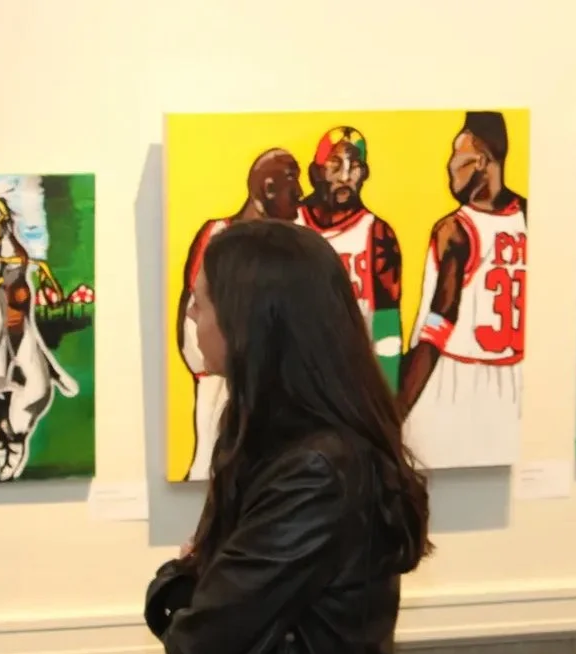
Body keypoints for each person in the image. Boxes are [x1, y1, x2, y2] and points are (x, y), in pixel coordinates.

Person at [146, 219, 431, 654]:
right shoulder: (271, 442)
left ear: (248, 319)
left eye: (200, 304)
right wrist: (203, 580)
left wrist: (177, 582)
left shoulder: (317, 469)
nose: (192, 319)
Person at [399, 111, 527, 468]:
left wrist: (395, 410)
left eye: (457, 155)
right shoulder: (531, 216)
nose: (449, 165)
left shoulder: (454, 229)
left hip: (456, 381)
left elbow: (438, 325)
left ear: (482, 160)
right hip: (516, 383)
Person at [176, 149, 303, 481]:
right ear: (266, 189)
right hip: (223, 379)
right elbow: (192, 318)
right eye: (292, 180)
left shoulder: (290, 246)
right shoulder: (219, 234)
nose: (300, 193)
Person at [294, 127, 403, 388]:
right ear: (316, 171)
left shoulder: (377, 233)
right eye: (335, 165)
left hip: (352, 382)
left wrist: (388, 393)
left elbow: (387, 323)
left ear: (364, 173)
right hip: (297, 377)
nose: (345, 176)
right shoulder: (290, 224)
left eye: (354, 166)